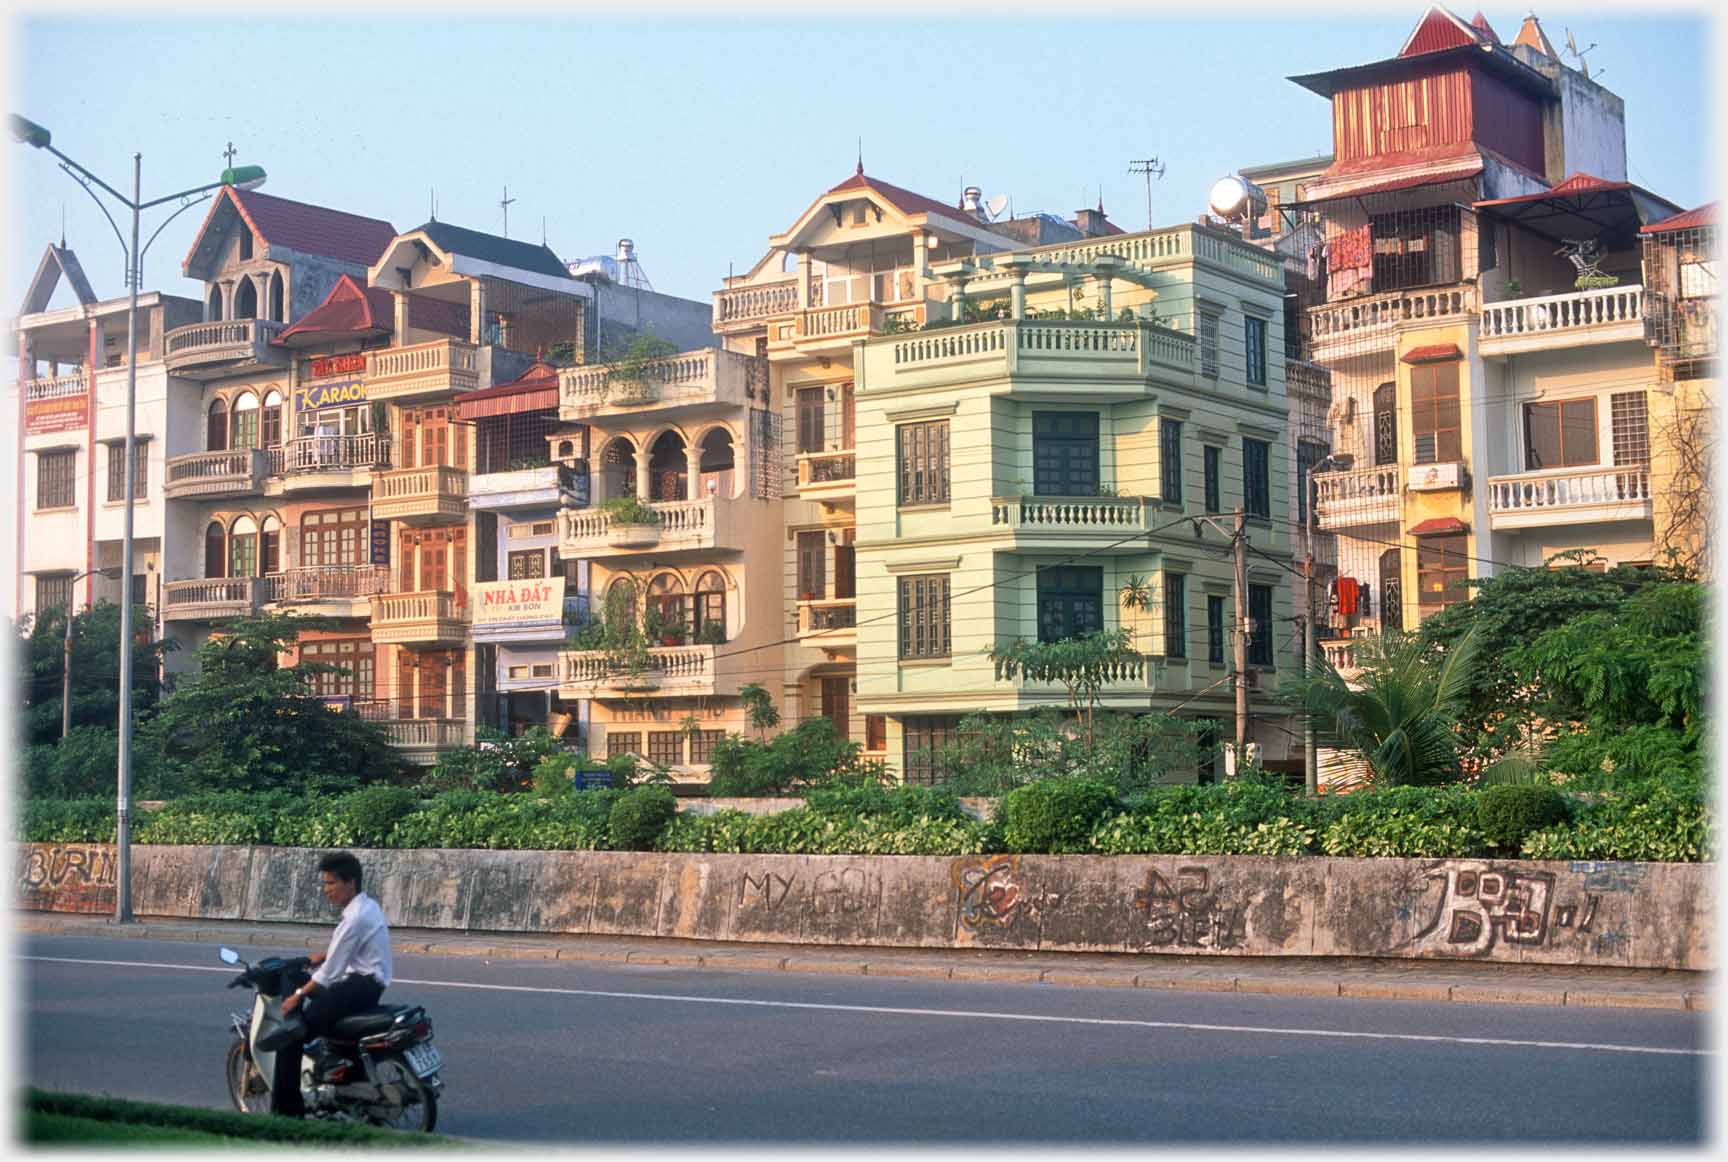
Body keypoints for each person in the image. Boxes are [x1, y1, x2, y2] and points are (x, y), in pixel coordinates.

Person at [257, 851, 393, 1116]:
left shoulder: (354, 918)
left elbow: (329, 974)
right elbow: (348, 953)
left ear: (350, 883)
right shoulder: (368, 907)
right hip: (365, 986)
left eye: (331, 883)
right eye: (325, 883)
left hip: (356, 988)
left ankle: (286, 1113)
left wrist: (297, 996)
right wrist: (318, 958)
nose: (326, 890)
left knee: (291, 1035)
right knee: (298, 982)